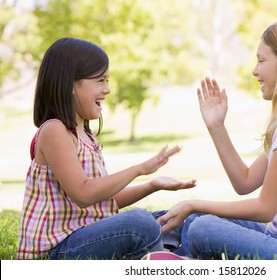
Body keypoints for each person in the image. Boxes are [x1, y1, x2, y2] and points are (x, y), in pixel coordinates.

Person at [157, 19, 277, 260]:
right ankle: (172, 255)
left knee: (203, 229)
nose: (255, 70)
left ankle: (173, 257)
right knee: (197, 221)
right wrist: (216, 126)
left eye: (261, 60)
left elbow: (265, 209)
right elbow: (244, 183)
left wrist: (194, 203)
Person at [16, 37, 196, 260]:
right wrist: (139, 169)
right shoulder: (55, 131)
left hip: (85, 236)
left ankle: (169, 256)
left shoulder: (85, 133)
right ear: (71, 84)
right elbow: (83, 194)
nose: (108, 89)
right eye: (100, 80)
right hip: (57, 249)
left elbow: (104, 201)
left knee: (172, 218)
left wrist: (152, 185)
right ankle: (164, 259)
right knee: (139, 223)